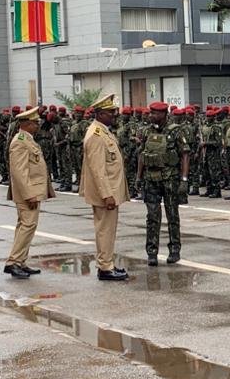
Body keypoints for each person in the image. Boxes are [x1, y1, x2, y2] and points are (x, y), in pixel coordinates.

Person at [80, 94, 130, 281]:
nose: (114, 115)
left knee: (108, 230)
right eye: (110, 112)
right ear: (100, 114)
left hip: (110, 191)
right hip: (105, 193)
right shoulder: (96, 135)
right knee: (105, 230)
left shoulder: (103, 131)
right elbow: (98, 169)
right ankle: (105, 267)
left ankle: (106, 263)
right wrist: (107, 194)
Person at [3, 107, 55, 279]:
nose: (38, 125)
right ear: (27, 124)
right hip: (27, 193)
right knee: (27, 226)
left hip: (31, 191)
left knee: (26, 226)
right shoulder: (20, 141)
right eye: (35, 123)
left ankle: (20, 261)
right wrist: (29, 194)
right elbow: (19, 171)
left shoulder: (28, 139)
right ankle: (13, 262)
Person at [138, 102, 189, 266]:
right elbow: (142, 154)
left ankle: (175, 250)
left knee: (172, 216)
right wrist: (138, 177)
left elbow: (185, 155)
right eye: (150, 113)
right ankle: (152, 252)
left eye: (154, 113)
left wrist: (184, 180)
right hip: (151, 179)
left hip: (170, 179)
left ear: (163, 114)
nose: (150, 116)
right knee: (152, 217)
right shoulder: (147, 131)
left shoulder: (175, 131)